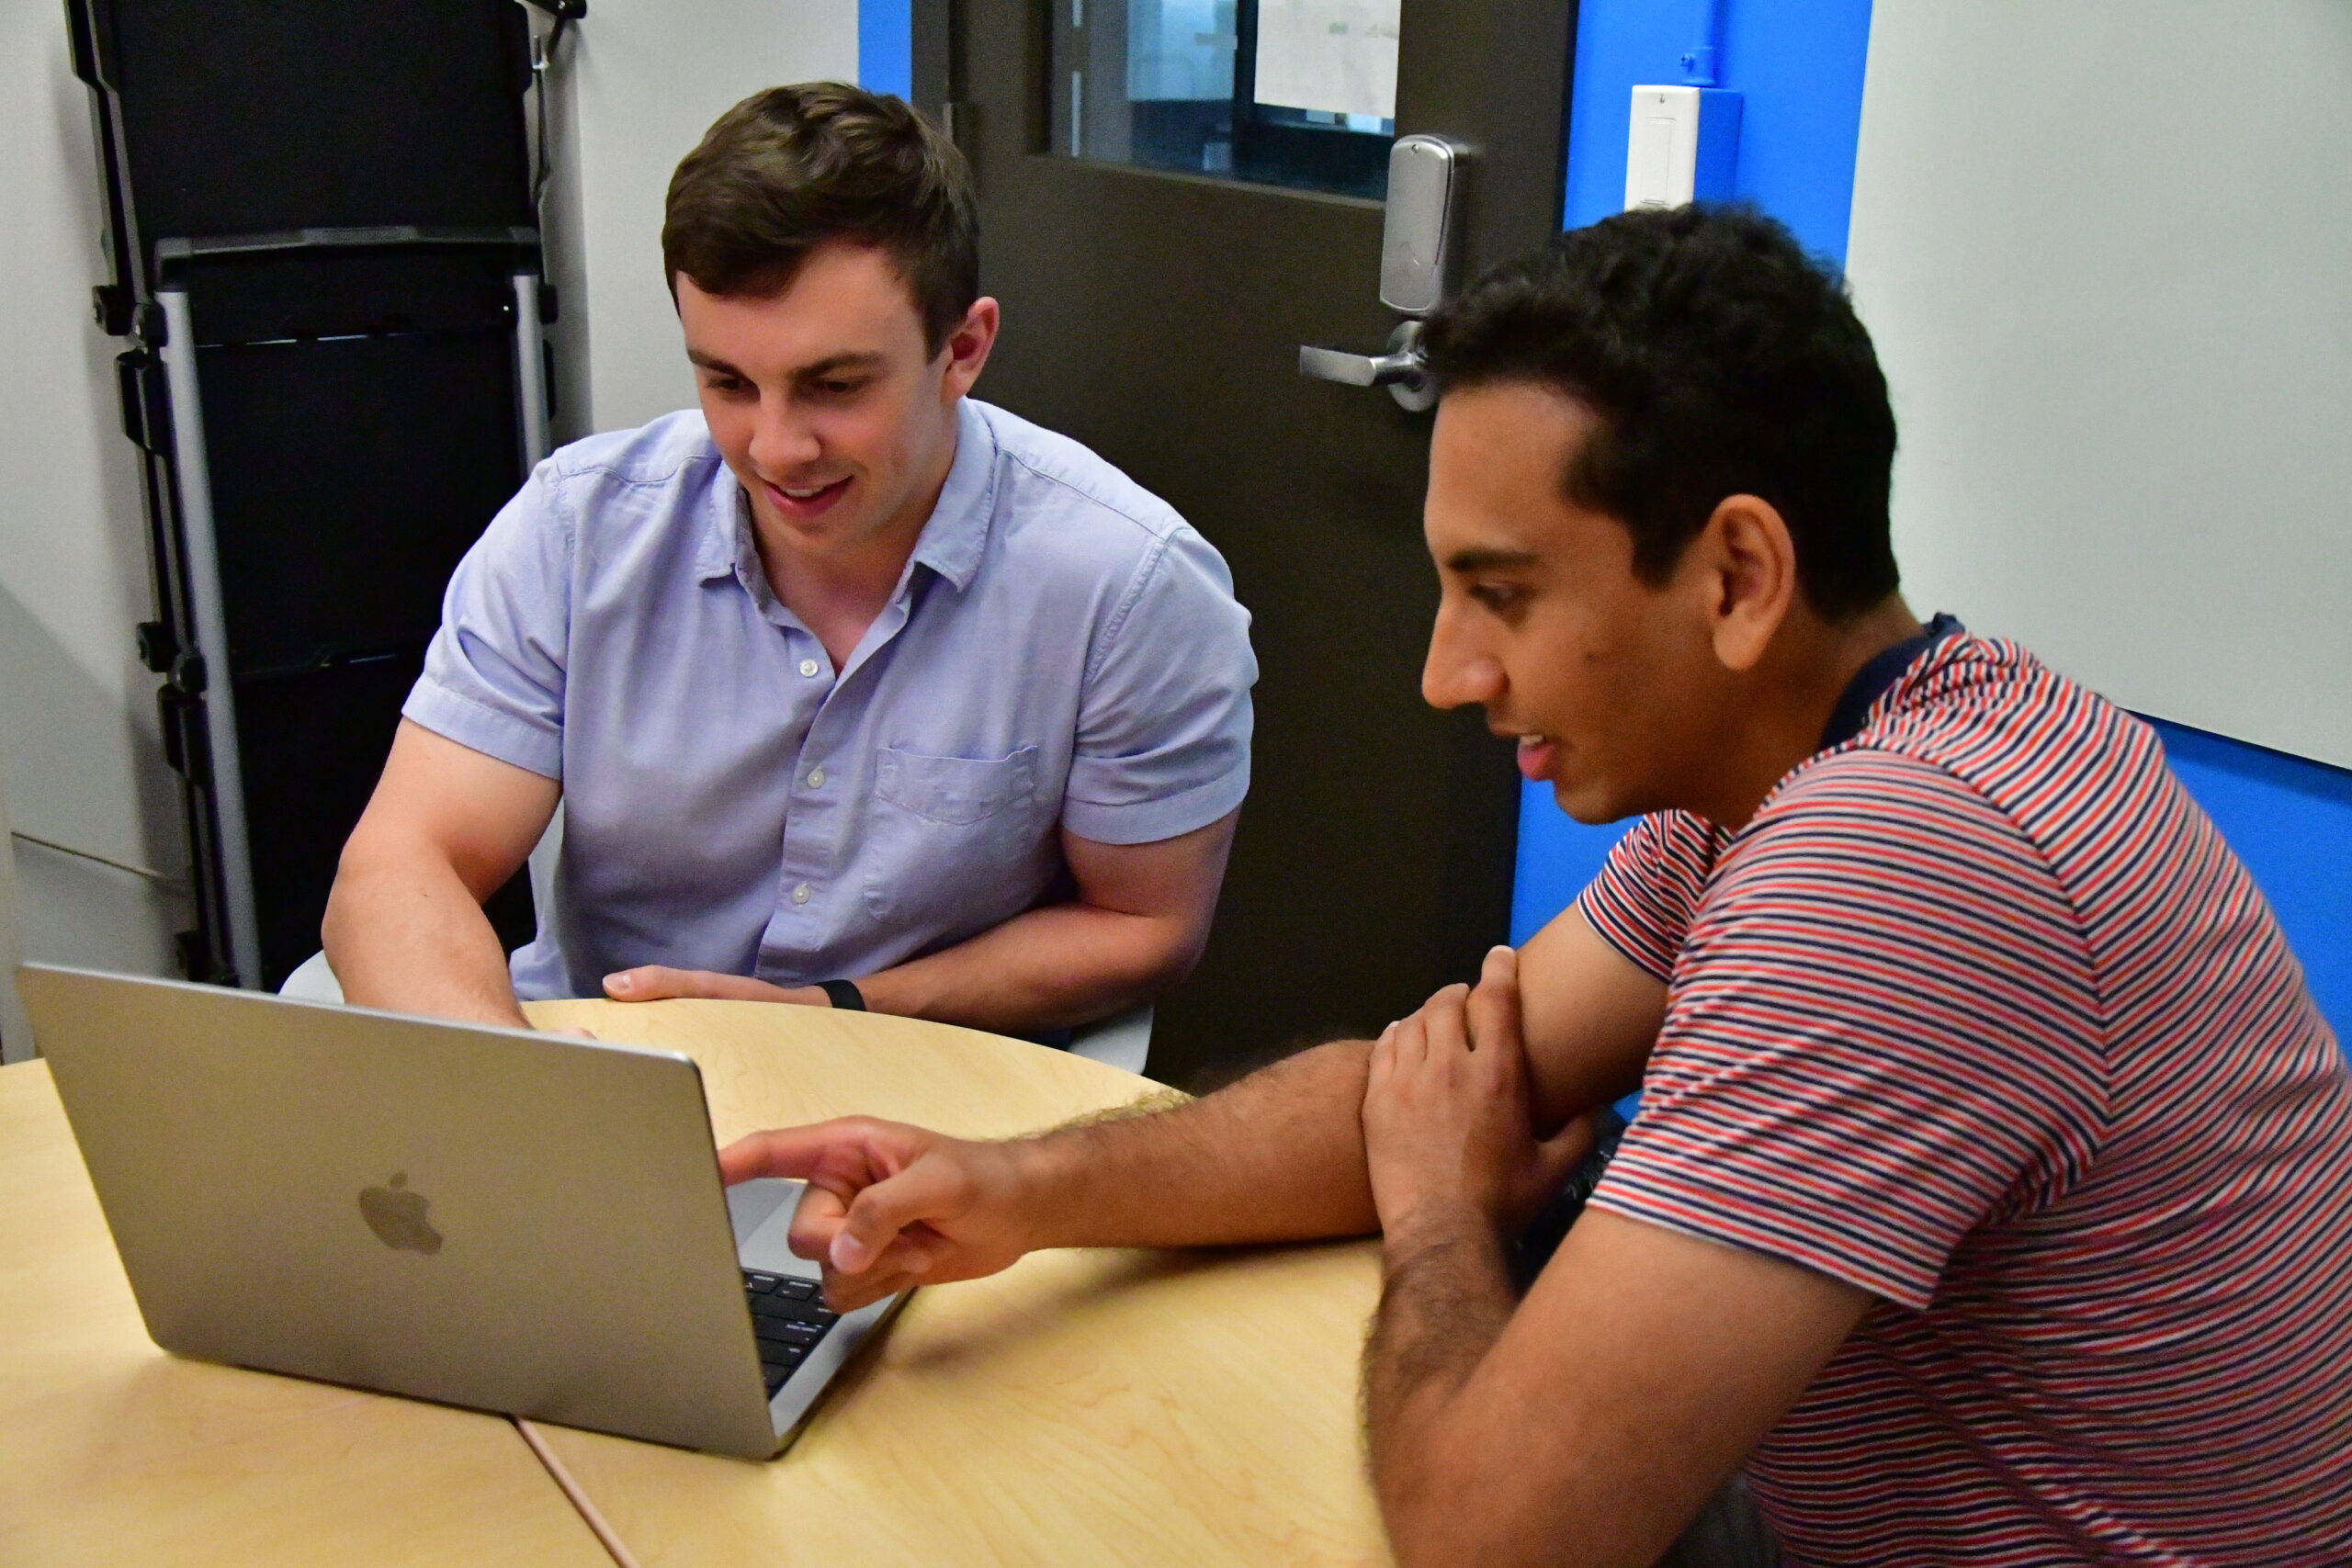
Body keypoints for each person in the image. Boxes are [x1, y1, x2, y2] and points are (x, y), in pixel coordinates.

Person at [717, 207, 2352, 1565]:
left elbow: (1498, 1538)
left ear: (1736, 575)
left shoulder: (1902, 868)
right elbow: (1439, 1081)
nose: (1446, 671)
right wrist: (1016, 1188)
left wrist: (1442, 1204)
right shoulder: (1835, 765)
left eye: (1499, 593)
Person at [323, 84, 1256, 1038]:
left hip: (928, 1096)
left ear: (962, 349)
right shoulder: (578, 531)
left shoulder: (1129, 587)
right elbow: (403, 863)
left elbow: (1145, 925)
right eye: (727, 382)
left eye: (834, 385)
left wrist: (828, 1014)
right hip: (610, 1078)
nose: (774, 449)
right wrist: (517, 1102)